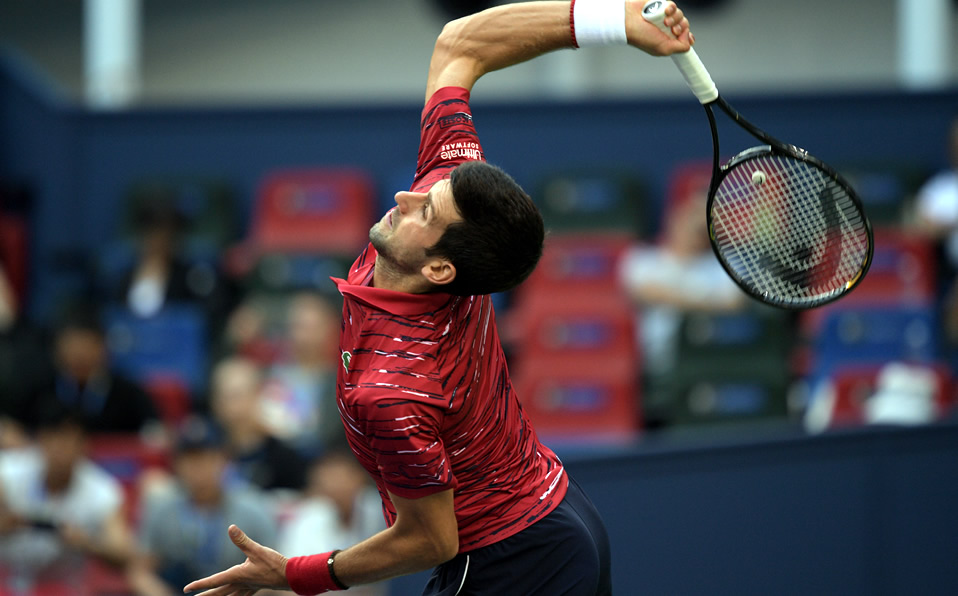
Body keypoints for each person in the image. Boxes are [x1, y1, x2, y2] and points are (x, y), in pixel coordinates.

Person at [184, 2, 694, 595]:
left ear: (440, 266)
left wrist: (295, 574)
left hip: (512, 560)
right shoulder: (452, 200)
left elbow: (431, 539)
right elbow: (460, 44)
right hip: (554, 513)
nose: (405, 195)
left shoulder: (394, 387)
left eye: (424, 210)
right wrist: (615, 20)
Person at [618, 166, 745, 426]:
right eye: (693, 214)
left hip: (713, 361)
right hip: (656, 365)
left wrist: (672, 297)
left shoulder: (729, 264)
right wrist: (708, 301)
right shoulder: (641, 260)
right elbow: (643, 290)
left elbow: (734, 305)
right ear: (675, 217)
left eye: (706, 216)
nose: (699, 223)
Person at [128, 415, 277, 596]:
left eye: (207, 459)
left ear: (224, 460)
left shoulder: (252, 508)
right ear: (177, 464)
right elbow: (140, 572)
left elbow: (274, 576)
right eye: (190, 459)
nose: (198, 468)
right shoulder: (162, 508)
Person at [0, 403, 136, 593]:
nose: (59, 449)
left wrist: (87, 543)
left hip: (66, 588)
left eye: (68, 440)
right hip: (6, 582)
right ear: (40, 441)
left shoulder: (103, 491)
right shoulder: (7, 472)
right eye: (52, 438)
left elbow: (124, 554)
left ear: (84, 445)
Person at [36, 304, 161, 436]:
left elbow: (154, 432)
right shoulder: (41, 391)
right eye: (72, 346)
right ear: (57, 350)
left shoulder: (129, 394)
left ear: (103, 348)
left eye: (86, 346)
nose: (80, 356)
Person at [276, 451, 387, 596]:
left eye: (342, 477)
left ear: (360, 477)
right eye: (328, 479)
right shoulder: (308, 516)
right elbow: (288, 578)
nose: (336, 486)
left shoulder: (379, 510)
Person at [259, 292, 344, 457]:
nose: (302, 335)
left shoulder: (341, 379)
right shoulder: (270, 374)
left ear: (328, 329)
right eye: (297, 326)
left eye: (310, 327)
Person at [209, 356, 309, 492]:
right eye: (224, 397)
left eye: (237, 396)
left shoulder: (283, 457)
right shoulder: (206, 454)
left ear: (257, 395)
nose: (232, 406)